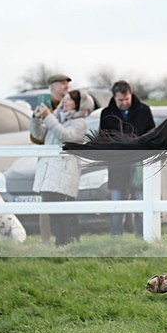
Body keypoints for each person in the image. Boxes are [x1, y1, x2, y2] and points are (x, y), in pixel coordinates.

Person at [30, 89, 92, 246]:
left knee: (64, 213)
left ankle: (68, 243)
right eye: (65, 98)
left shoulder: (80, 122)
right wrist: (36, 119)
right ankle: (60, 243)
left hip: (65, 173)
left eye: (70, 99)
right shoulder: (56, 118)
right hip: (49, 173)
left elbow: (66, 136)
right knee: (52, 211)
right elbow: (38, 135)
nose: (65, 101)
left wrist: (48, 116)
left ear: (78, 105)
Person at [99, 80, 156, 237]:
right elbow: (103, 138)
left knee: (141, 203)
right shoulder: (106, 114)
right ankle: (116, 237)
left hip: (138, 165)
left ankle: (143, 236)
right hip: (117, 165)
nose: (124, 103)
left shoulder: (144, 110)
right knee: (116, 205)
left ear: (131, 95)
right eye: (120, 100)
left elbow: (151, 134)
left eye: (126, 99)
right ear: (114, 98)